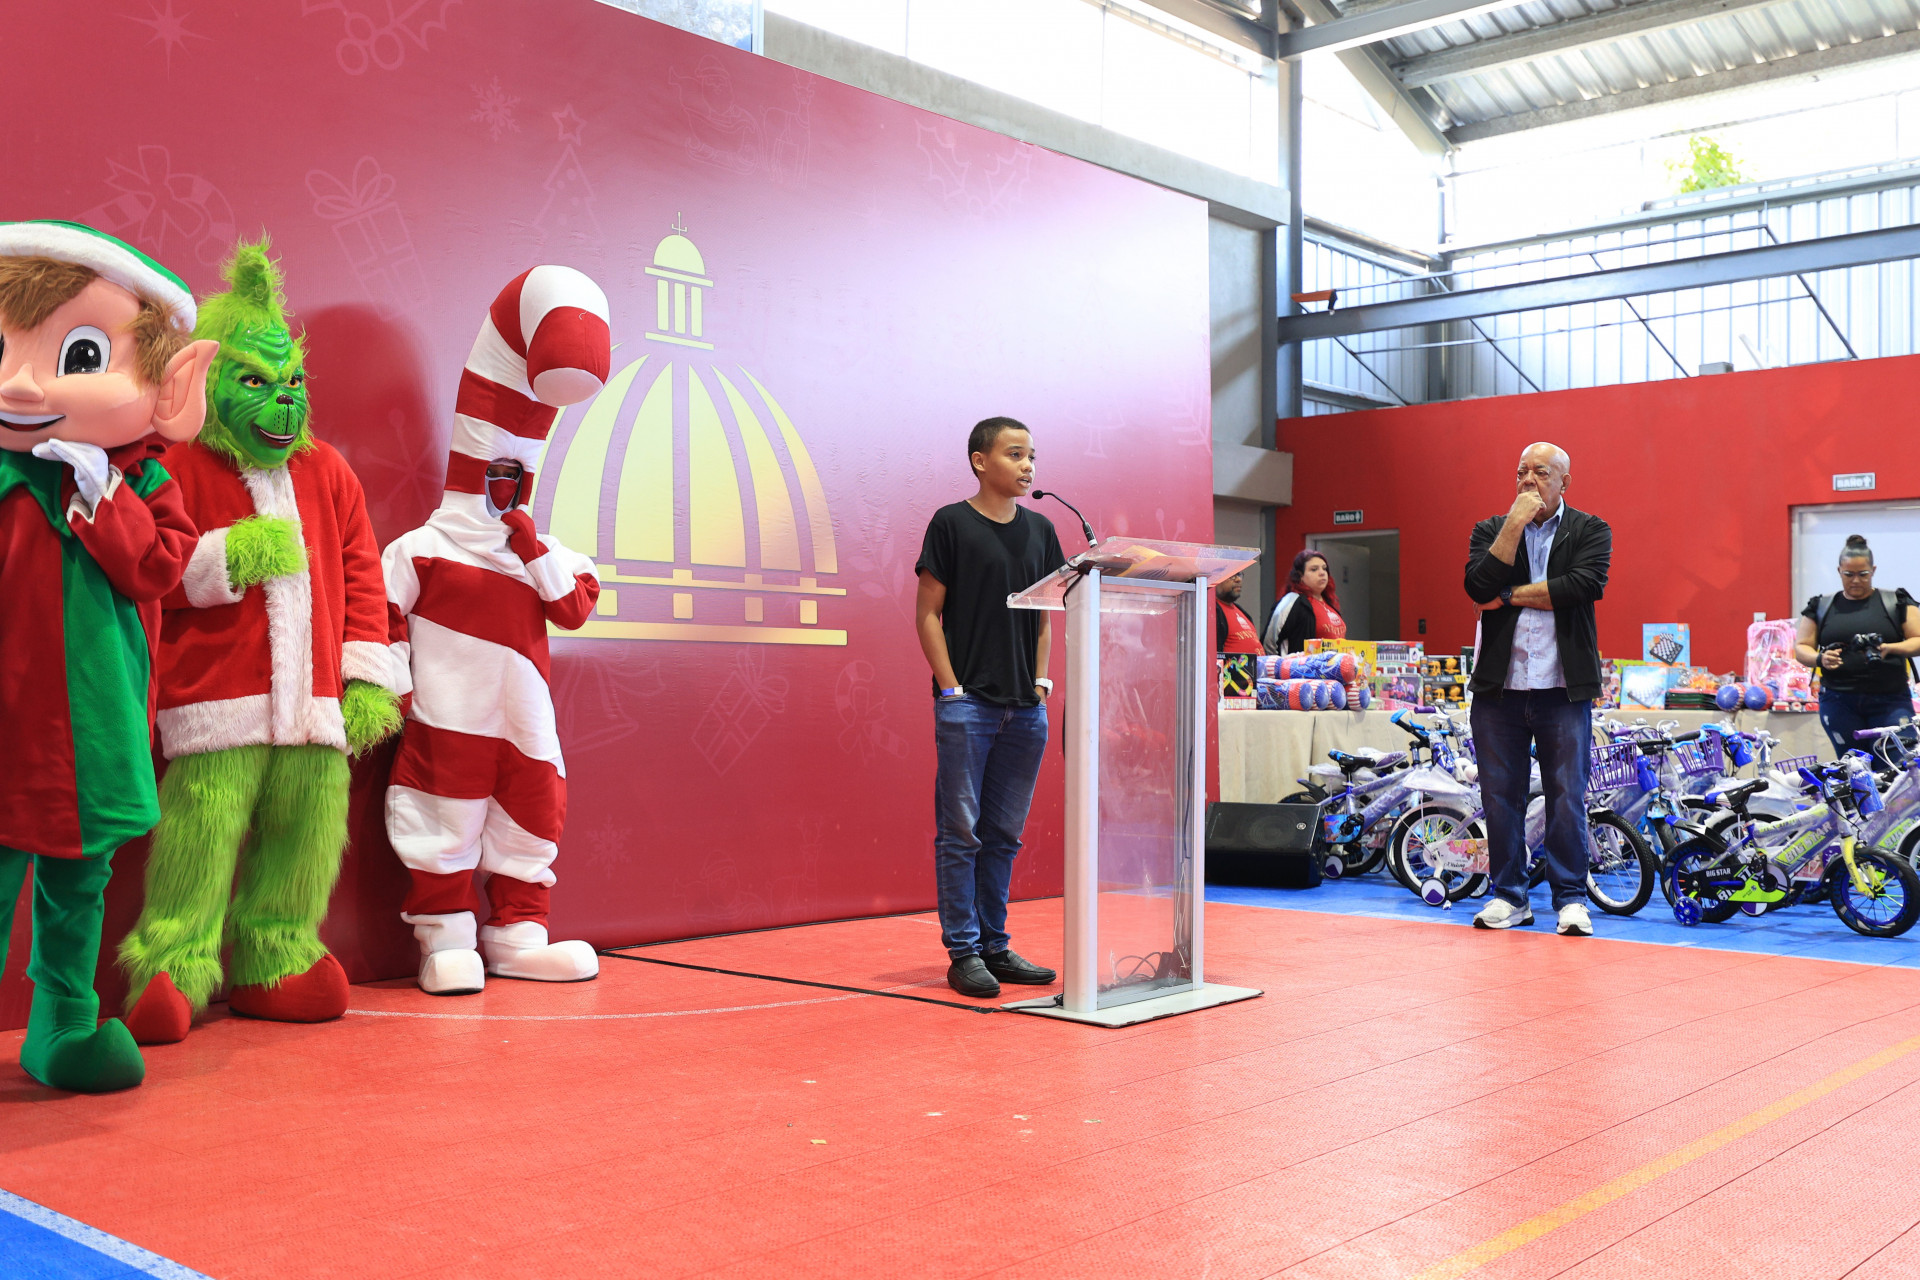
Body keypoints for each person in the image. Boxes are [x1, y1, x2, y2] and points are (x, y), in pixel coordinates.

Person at [914, 416, 1064, 999]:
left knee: (1003, 834)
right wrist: (951, 689)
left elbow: (1045, 614)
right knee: (961, 834)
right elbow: (928, 614)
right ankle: (964, 951)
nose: (1028, 466)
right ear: (980, 461)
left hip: (1026, 709)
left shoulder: (1042, 529)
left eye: (1032, 456)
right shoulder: (951, 523)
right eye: (1015, 454)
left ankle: (995, 946)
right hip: (968, 706)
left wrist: (1042, 683)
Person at [1463, 442, 1611, 938]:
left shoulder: (1590, 529)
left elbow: (1581, 586)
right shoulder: (1490, 529)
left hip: (1562, 688)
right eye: (1521, 472)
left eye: (1541, 472)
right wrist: (1513, 525)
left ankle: (1570, 899)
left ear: (1564, 481)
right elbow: (1477, 587)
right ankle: (1509, 896)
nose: (1529, 480)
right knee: (1499, 797)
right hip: (1498, 688)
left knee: (1566, 796)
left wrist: (1507, 596)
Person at [1794, 534, 1920, 754]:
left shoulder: (1896, 601)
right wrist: (1820, 658)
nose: (1855, 580)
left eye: (1863, 574)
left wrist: (1891, 648)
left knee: (1898, 764)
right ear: (1839, 571)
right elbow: (1801, 647)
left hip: (1890, 700)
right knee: (1853, 764)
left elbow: (1918, 640)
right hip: (1838, 701)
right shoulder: (1821, 606)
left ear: (1873, 570)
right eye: (1848, 574)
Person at [1264, 549, 1346, 654]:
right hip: (1303, 664)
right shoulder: (1292, 601)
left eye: (1324, 568)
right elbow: (1269, 643)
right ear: (1300, 576)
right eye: (1314, 569)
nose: (1322, 573)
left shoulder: (1330, 604)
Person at [1215, 570, 1263, 655]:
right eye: (1232, 575)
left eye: (1239, 574)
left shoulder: (1242, 611)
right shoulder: (1213, 612)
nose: (1238, 579)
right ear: (1215, 578)